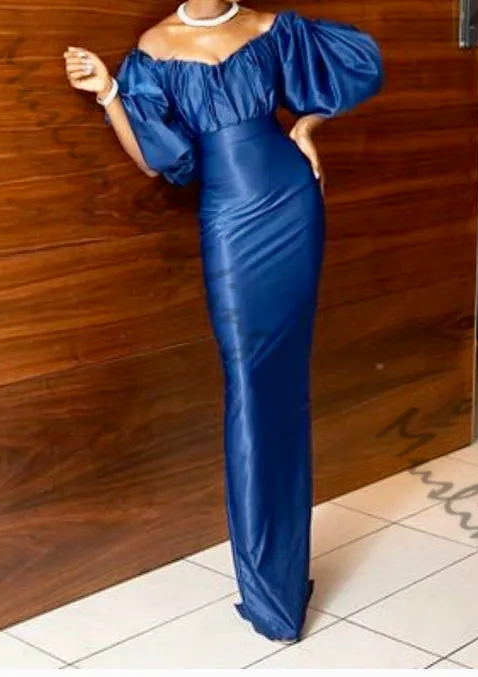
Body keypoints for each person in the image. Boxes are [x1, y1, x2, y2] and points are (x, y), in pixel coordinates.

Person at [63, 0, 384, 644]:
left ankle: (284, 574)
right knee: (249, 381)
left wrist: (308, 126)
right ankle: (269, 588)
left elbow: (361, 65)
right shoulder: (154, 47)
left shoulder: (271, 28)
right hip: (229, 221)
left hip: (292, 201)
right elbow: (157, 160)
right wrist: (109, 93)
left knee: (287, 382)